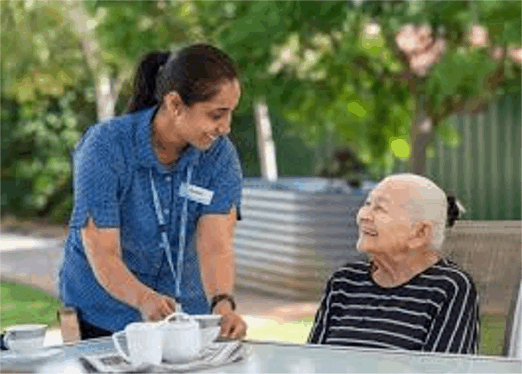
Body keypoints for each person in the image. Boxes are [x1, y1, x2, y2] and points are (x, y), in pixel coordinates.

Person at [58, 44, 247, 340]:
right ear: (174, 104)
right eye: (216, 115)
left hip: (183, 320)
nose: (226, 127)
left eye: (230, 114)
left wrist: (222, 304)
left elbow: (216, 244)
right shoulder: (105, 147)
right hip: (100, 315)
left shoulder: (220, 157)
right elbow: (102, 250)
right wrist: (143, 298)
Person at [308, 173, 479, 354]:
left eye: (380, 208)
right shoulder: (344, 282)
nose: (364, 215)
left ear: (420, 233)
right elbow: (312, 359)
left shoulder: (449, 287)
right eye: (367, 204)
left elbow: (445, 370)